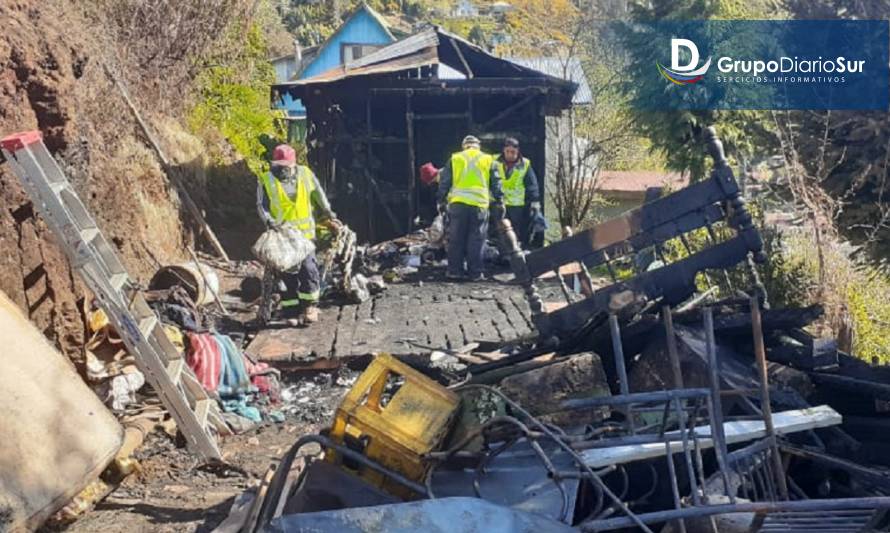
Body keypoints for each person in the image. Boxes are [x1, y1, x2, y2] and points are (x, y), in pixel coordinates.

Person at [257, 144, 338, 324]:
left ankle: (310, 306)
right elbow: (261, 206)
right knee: (287, 273)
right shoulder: (266, 179)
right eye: (278, 165)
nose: (281, 169)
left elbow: (318, 193)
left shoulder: (305, 174)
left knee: (308, 269)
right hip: (283, 236)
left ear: (293, 164)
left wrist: (328, 213)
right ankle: (291, 309)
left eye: (284, 166)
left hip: (304, 235)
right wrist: (269, 221)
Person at [437, 135, 504, 281]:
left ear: (464, 146)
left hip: (458, 204)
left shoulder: (455, 158)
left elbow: (445, 182)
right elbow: (496, 182)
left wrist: (441, 200)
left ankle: (455, 271)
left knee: (456, 238)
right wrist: (500, 200)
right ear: (478, 146)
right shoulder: (488, 159)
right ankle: (476, 272)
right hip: (479, 205)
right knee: (477, 239)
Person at [496, 137, 540, 246]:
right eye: (507, 152)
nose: (510, 155)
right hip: (498, 203)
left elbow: (531, 184)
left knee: (515, 231)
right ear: (503, 150)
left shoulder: (525, 164)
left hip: (516, 205)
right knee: (500, 230)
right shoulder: (495, 162)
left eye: (513, 152)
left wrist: (534, 201)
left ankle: (514, 253)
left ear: (518, 151)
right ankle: (502, 253)